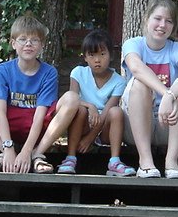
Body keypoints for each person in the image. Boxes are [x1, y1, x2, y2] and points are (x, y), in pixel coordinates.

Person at [0, 14, 79, 173]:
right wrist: (8, 147)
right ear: (13, 43)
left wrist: (27, 151)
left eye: (34, 40)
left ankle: (37, 154)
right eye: (23, 39)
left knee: (72, 98)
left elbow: (40, 116)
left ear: (42, 45)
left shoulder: (49, 72)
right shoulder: (2, 70)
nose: (28, 44)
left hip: (37, 125)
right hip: (7, 126)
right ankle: (5, 154)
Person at [121, 0, 178, 179]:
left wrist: (170, 95)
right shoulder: (133, 44)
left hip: (170, 124)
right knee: (140, 82)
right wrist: (166, 93)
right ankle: (145, 162)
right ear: (146, 19)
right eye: (157, 18)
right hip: (136, 126)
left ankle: (171, 162)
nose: (162, 25)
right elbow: (136, 68)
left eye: (168, 21)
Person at [58, 29, 136, 177]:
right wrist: (90, 106)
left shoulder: (119, 81)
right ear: (85, 57)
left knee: (116, 112)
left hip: (104, 128)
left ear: (111, 56)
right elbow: (72, 99)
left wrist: (91, 138)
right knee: (80, 110)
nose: (97, 60)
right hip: (83, 123)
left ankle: (114, 161)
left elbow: (108, 110)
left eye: (102, 54)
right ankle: (70, 158)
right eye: (92, 55)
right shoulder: (78, 73)